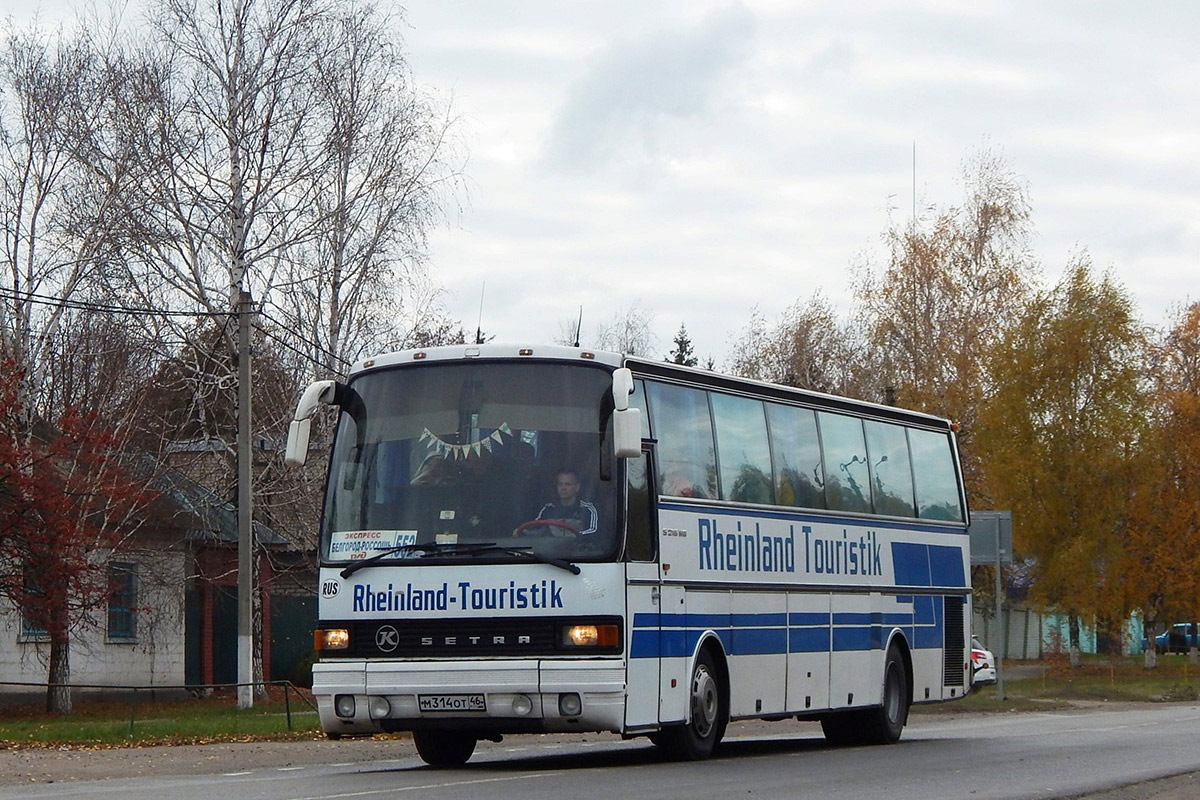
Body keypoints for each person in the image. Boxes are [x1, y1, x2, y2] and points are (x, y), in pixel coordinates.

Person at [517, 469, 598, 536]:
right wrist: (521, 532)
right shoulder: (548, 509)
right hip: (552, 553)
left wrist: (574, 537)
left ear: (577, 487)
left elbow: (593, 532)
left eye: (567, 484)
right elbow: (536, 529)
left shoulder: (587, 509)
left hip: (578, 553)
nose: (563, 488)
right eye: (560, 484)